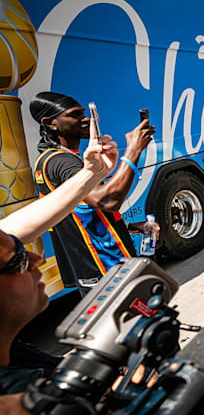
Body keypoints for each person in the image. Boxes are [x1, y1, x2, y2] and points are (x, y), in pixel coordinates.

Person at [0, 134, 119, 395]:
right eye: (18, 259)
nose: (36, 258)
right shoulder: (24, 397)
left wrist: (92, 172)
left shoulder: (18, 359)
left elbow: (12, 229)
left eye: (22, 245)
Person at [29, 92, 155, 294]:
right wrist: (133, 151)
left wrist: (131, 226)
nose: (86, 118)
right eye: (75, 115)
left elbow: (81, 211)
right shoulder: (63, 162)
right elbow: (107, 201)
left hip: (93, 269)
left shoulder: (45, 160)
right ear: (50, 123)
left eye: (84, 113)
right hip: (104, 267)